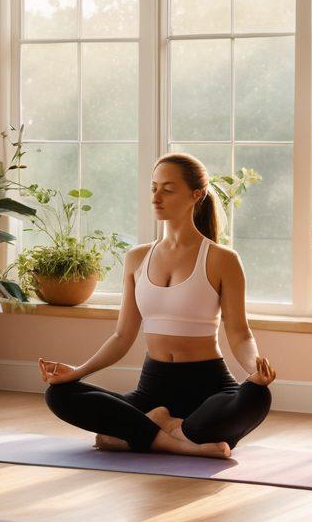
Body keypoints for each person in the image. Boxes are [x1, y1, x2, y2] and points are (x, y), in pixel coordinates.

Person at [39, 153, 276, 459]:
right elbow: (122, 337)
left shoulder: (222, 259)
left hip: (209, 387)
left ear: (196, 195)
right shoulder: (137, 258)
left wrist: (254, 369)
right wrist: (77, 372)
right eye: (153, 188)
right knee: (60, 395)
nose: (156, 197)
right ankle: (175, 441)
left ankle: (151, 431)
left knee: (256, 397)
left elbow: (240, 334)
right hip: (152, 389)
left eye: (168, 189)